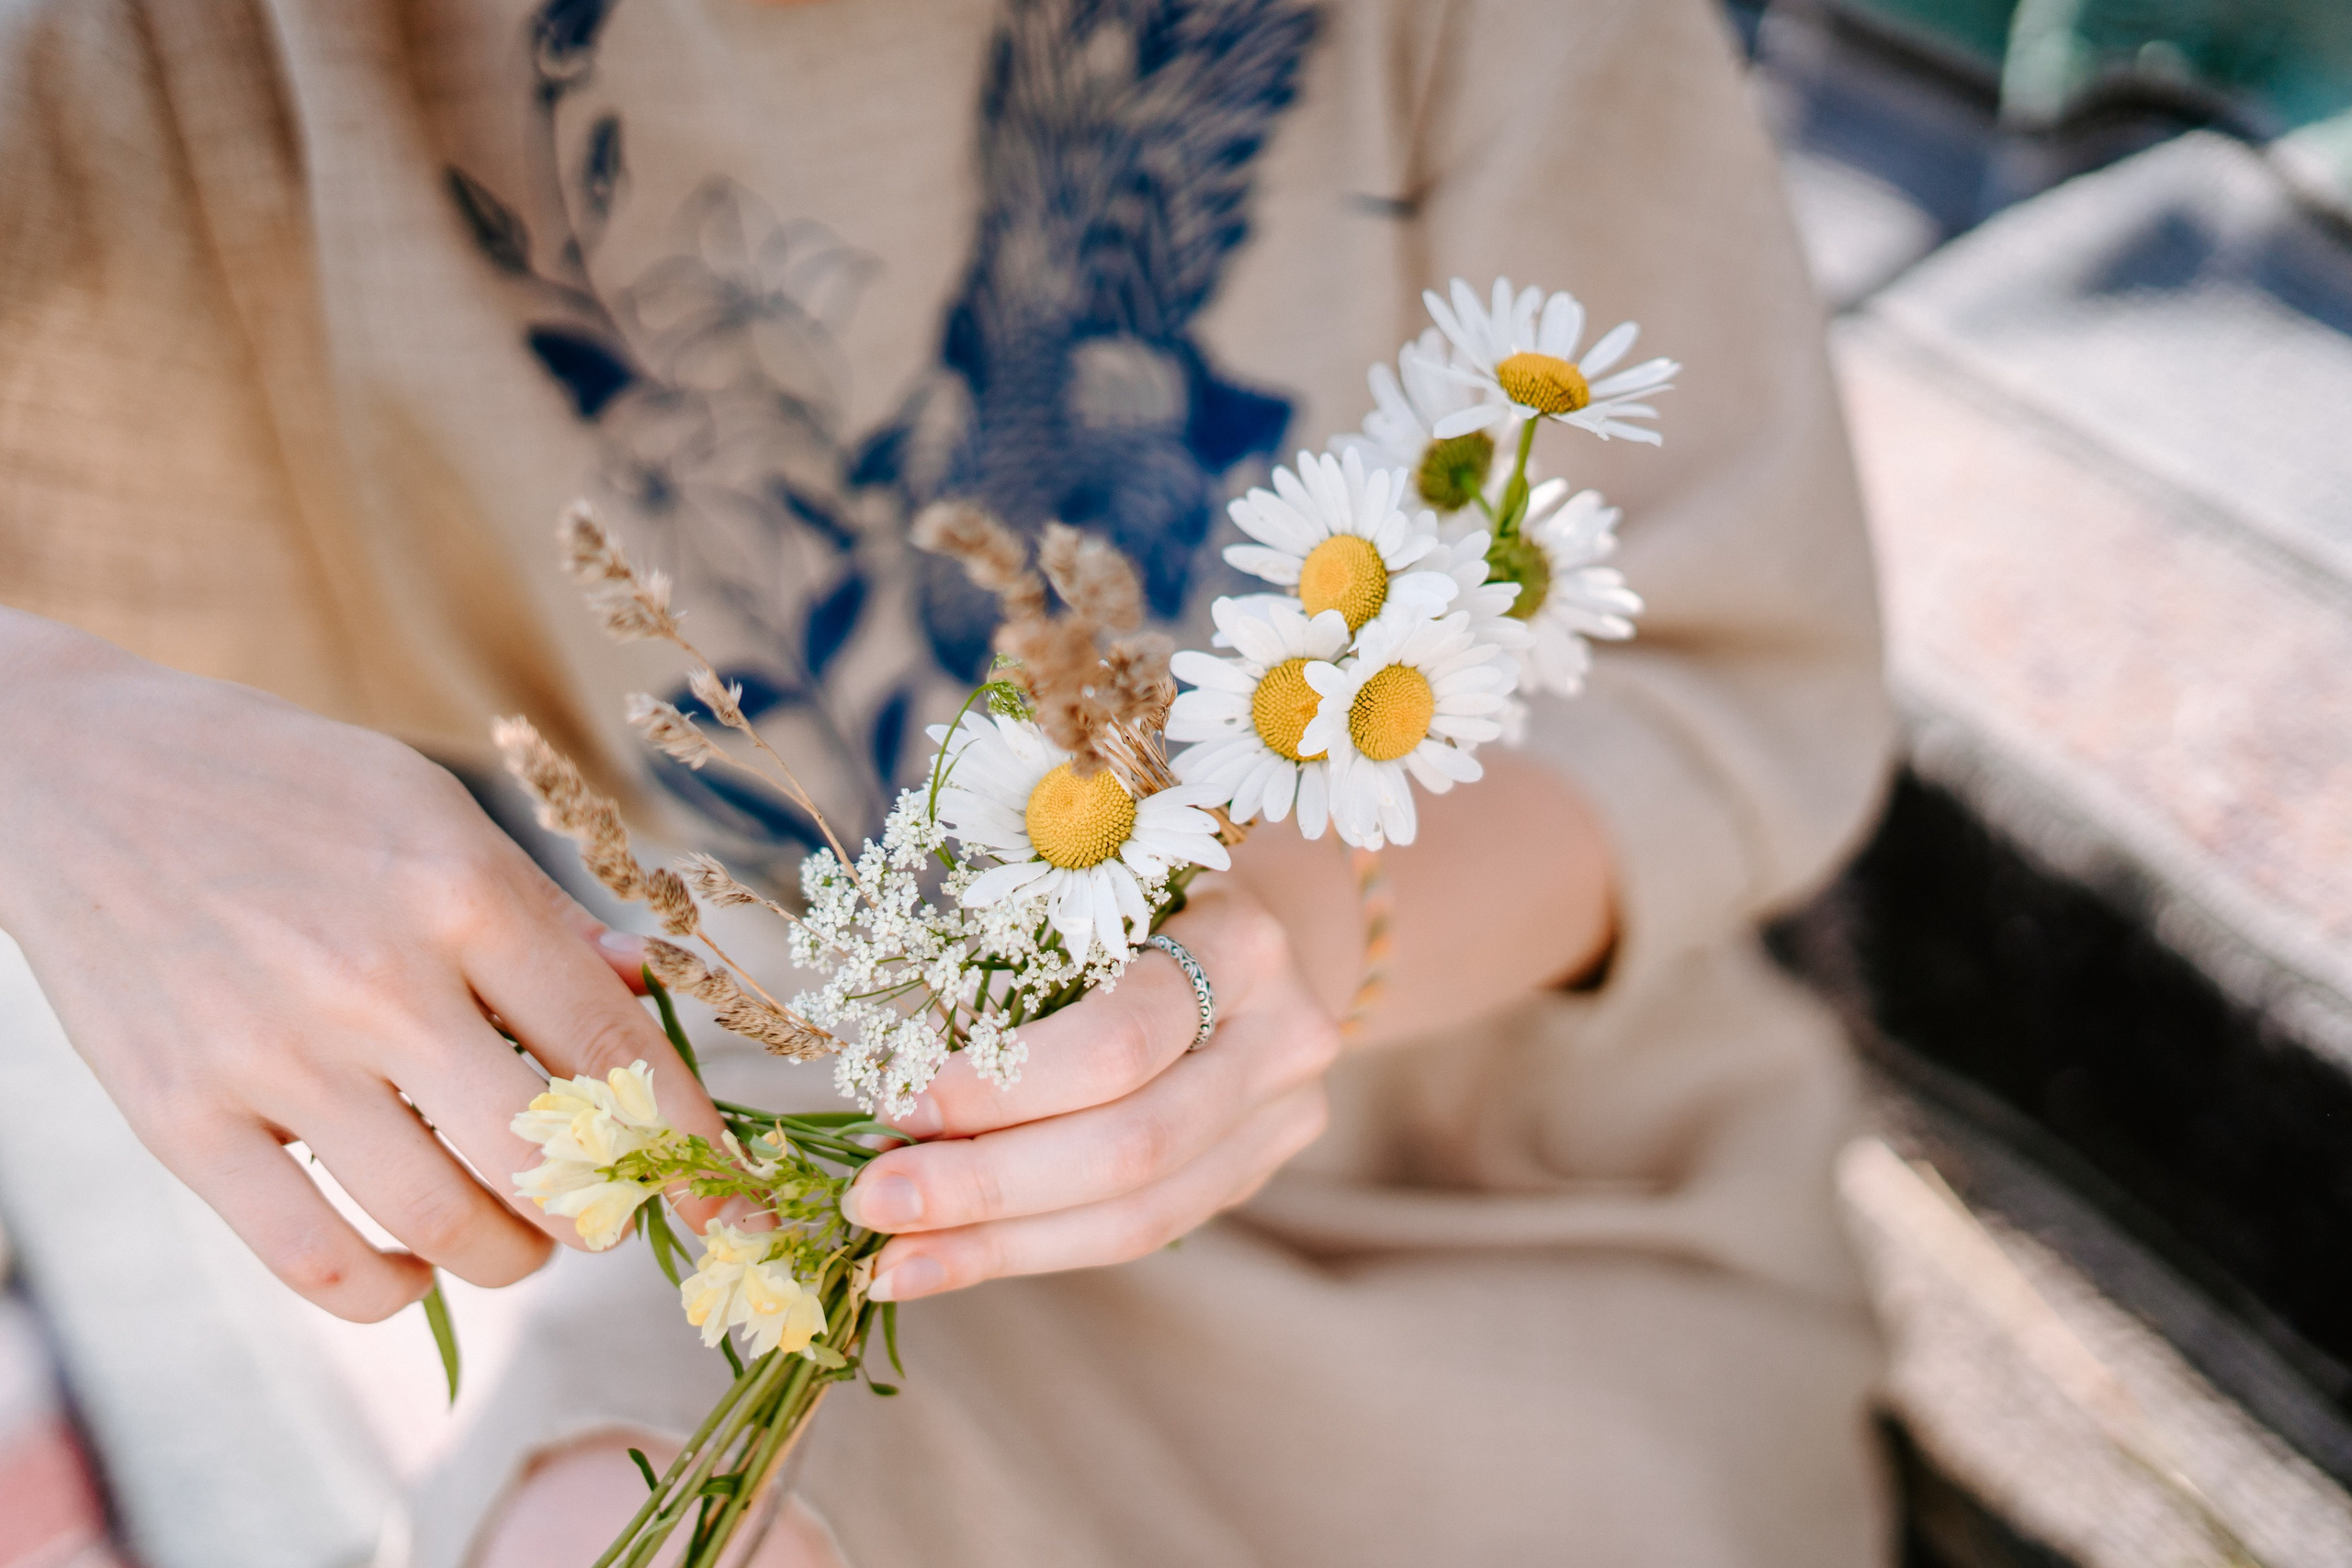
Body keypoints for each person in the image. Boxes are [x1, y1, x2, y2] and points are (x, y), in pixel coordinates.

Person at [0, 0, 1896, 1562]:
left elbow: (1710, 670)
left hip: (1487, 1209)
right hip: (780, 1179)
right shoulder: (185, 51)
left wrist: (1300, 934)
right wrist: (60, 739)